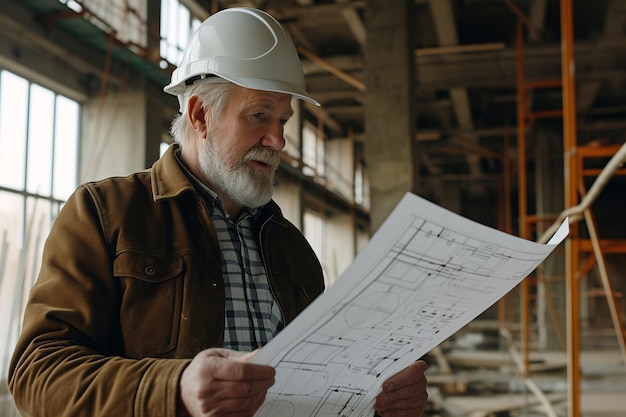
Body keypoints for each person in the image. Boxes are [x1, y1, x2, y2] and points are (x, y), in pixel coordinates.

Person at [8, 7, 428, 417]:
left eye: (283, 120)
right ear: (200, 114)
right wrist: (175, 389)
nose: (278, 140)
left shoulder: (290, 244)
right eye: (259, 115)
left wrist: (377, 392)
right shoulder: (105, 214)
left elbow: (319, 378)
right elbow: (37, 375)